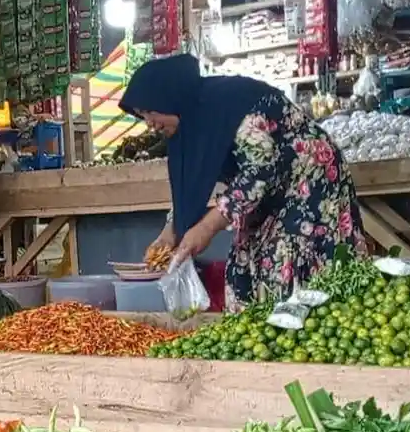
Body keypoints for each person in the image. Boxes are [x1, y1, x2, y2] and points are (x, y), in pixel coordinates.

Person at [120, 54, 365, 311]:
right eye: (141, 115)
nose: (148, 123)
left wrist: (206, 228)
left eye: (150, 111)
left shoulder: (227, 104)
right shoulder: (190, 127)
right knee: (246, 264)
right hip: (267, 192)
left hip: (309, 182)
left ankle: (303, 336)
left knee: (290, 264)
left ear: (168, 98)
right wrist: (171, 231)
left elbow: (260, 170)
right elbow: (195, 185)